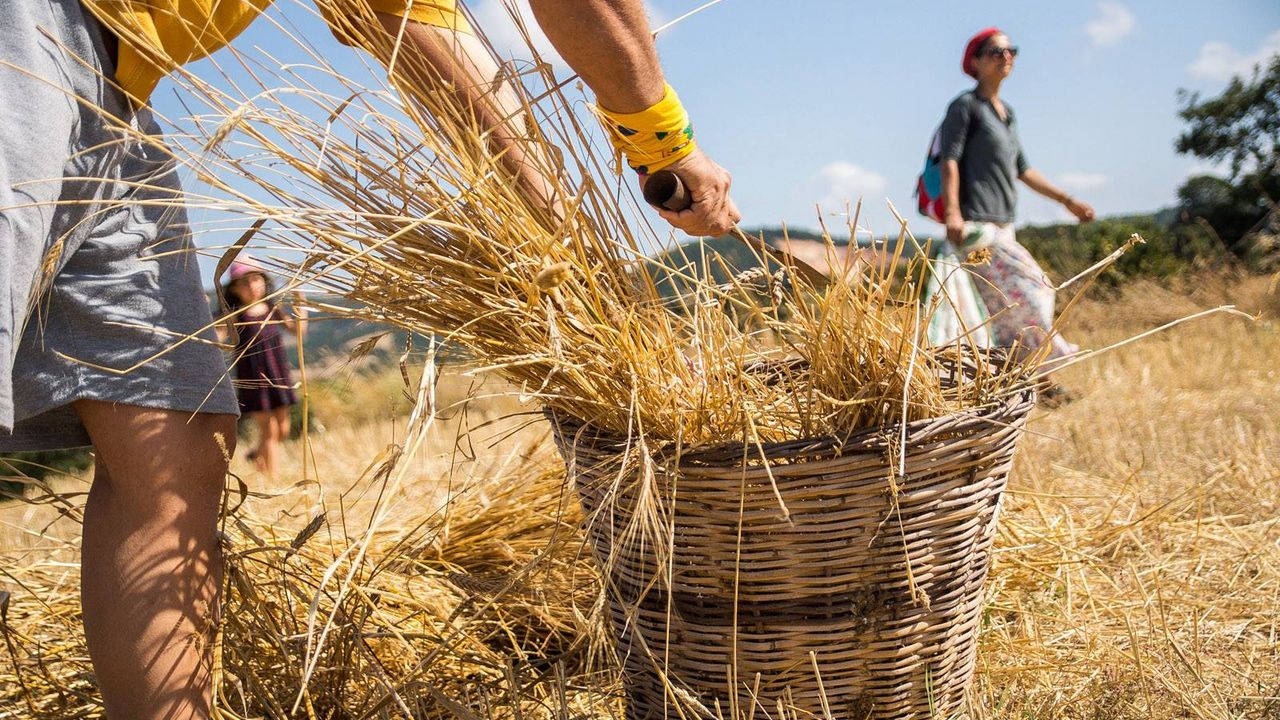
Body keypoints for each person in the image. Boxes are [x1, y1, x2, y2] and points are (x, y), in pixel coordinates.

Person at [0, 2, 739, 718]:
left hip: (113, 85)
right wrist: (663, 142)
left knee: (168, 442)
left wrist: (588, 284)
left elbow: (426, 46)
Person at [940, 27, 1096, 370]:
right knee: (1035, 291)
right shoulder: (966, 107)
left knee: (1000, 312)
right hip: (977, 227)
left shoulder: (1006, 114)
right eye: (997, 51)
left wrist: (1067, 201)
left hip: (1004, 225)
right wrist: (953, 213)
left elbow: (1022, 169)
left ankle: (1028, 380)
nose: (1006, 57)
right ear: (976, 62)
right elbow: (948, 159)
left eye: (1012, 51)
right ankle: (1046, 366)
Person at [222, 260, 306, 480]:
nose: (251, 286)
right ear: (234, 289)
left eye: (255, 279)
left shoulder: (272, 309)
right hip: (254, 380)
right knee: (269, 431)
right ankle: (272, 479)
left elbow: (298, 331)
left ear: (264, 281)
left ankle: (256, 455)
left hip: (278, 375)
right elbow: (219, 340)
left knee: (283, 429)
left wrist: (300, 301)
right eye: (244, 283)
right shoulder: (236, 316)